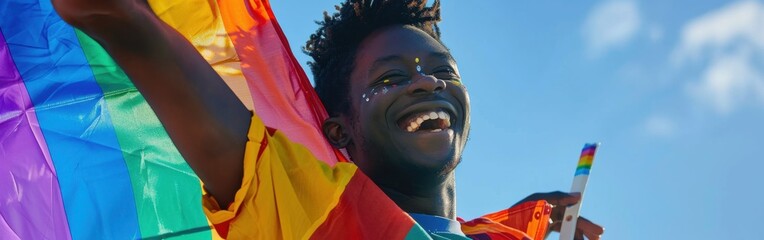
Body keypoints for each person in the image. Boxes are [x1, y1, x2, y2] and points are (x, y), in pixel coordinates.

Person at [52, 0, 603, 239]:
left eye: (442, 71)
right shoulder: (307, 214)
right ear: (339, 132)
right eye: (390, 78)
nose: (426, 81)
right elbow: (110, 14)